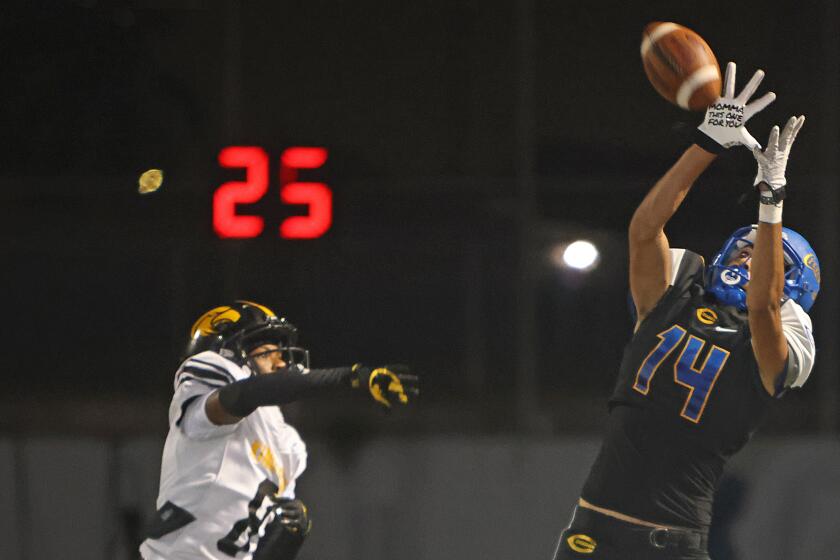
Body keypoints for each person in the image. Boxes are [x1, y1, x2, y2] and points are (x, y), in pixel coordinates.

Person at [552, 62, 819, 559]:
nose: (748, 254)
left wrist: (771, 201)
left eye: (767, 254)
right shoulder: (681, 289)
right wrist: (707, 143)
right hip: (590, 530)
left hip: (669, 544)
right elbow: (644, 231)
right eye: (745, 246)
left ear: (793, 286)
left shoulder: (783, 331)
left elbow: (762, 306)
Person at [140, 300, 418, 560]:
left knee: (292, 519)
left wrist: (286, 534)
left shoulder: (284, 440)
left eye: (280, 354)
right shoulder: (207, 378)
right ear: (227, 353)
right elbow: (238, 397)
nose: (282, 363)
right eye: (265, 353)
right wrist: (348, 376)